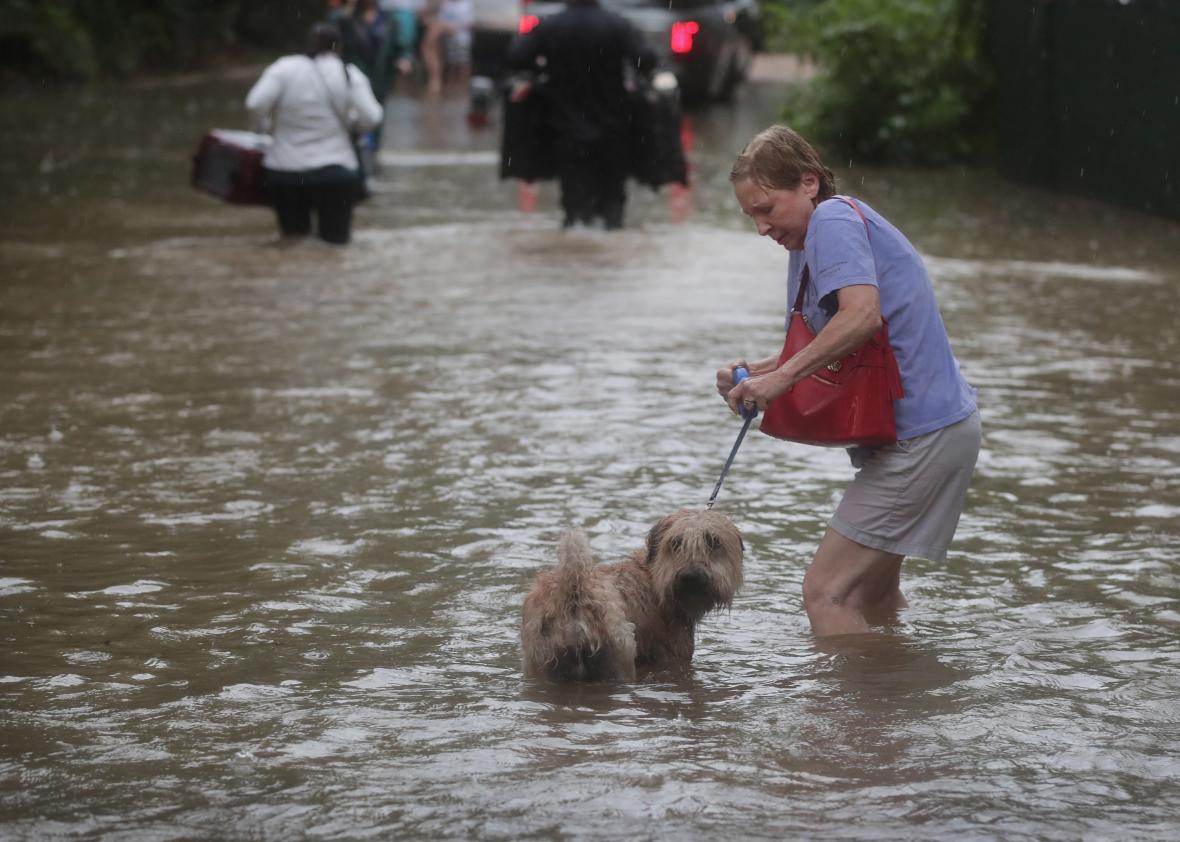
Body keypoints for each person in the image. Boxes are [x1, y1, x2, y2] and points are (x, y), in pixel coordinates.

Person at [717, 125, 981, 637]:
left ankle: (851, 717)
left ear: (809, 183)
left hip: (920, 437)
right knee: (871, 596)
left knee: (826, 593)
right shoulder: (816, 235)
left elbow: (861, 317)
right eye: (751, 215)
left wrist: (781, 379)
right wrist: (755, 372)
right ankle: (898, 703)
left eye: (767, 208)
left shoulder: (832, 220)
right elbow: (835, 339)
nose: (761, 227)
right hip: (936, 432)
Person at [505, 0, 657, 230]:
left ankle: (576, 252)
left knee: (574, 207)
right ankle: (610, 254)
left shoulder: (551, 26)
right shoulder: (617, 25)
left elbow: (516, 56)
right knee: (613, 204)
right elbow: (647, 58)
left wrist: (544, 72)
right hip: (612, 131)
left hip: (566, 133)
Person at [245, 23, 384, 245]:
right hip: (336, 173)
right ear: (339, 47)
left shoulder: (284, 68)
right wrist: (354, 126)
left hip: (285, 173)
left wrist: (263, 128)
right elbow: (373, 117)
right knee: (336, 246)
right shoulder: (348, 73)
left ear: (308, 44)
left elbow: (254, 104)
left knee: (292, 243)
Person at [420, 0, 473, 96]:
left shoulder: (464, 4)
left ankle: (437, 79)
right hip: (445, 31)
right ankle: (437, 79)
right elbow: (426, 14)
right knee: (433, 42)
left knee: (459, 63)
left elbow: (467, 22)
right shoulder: (444, 4)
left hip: (457, 33)